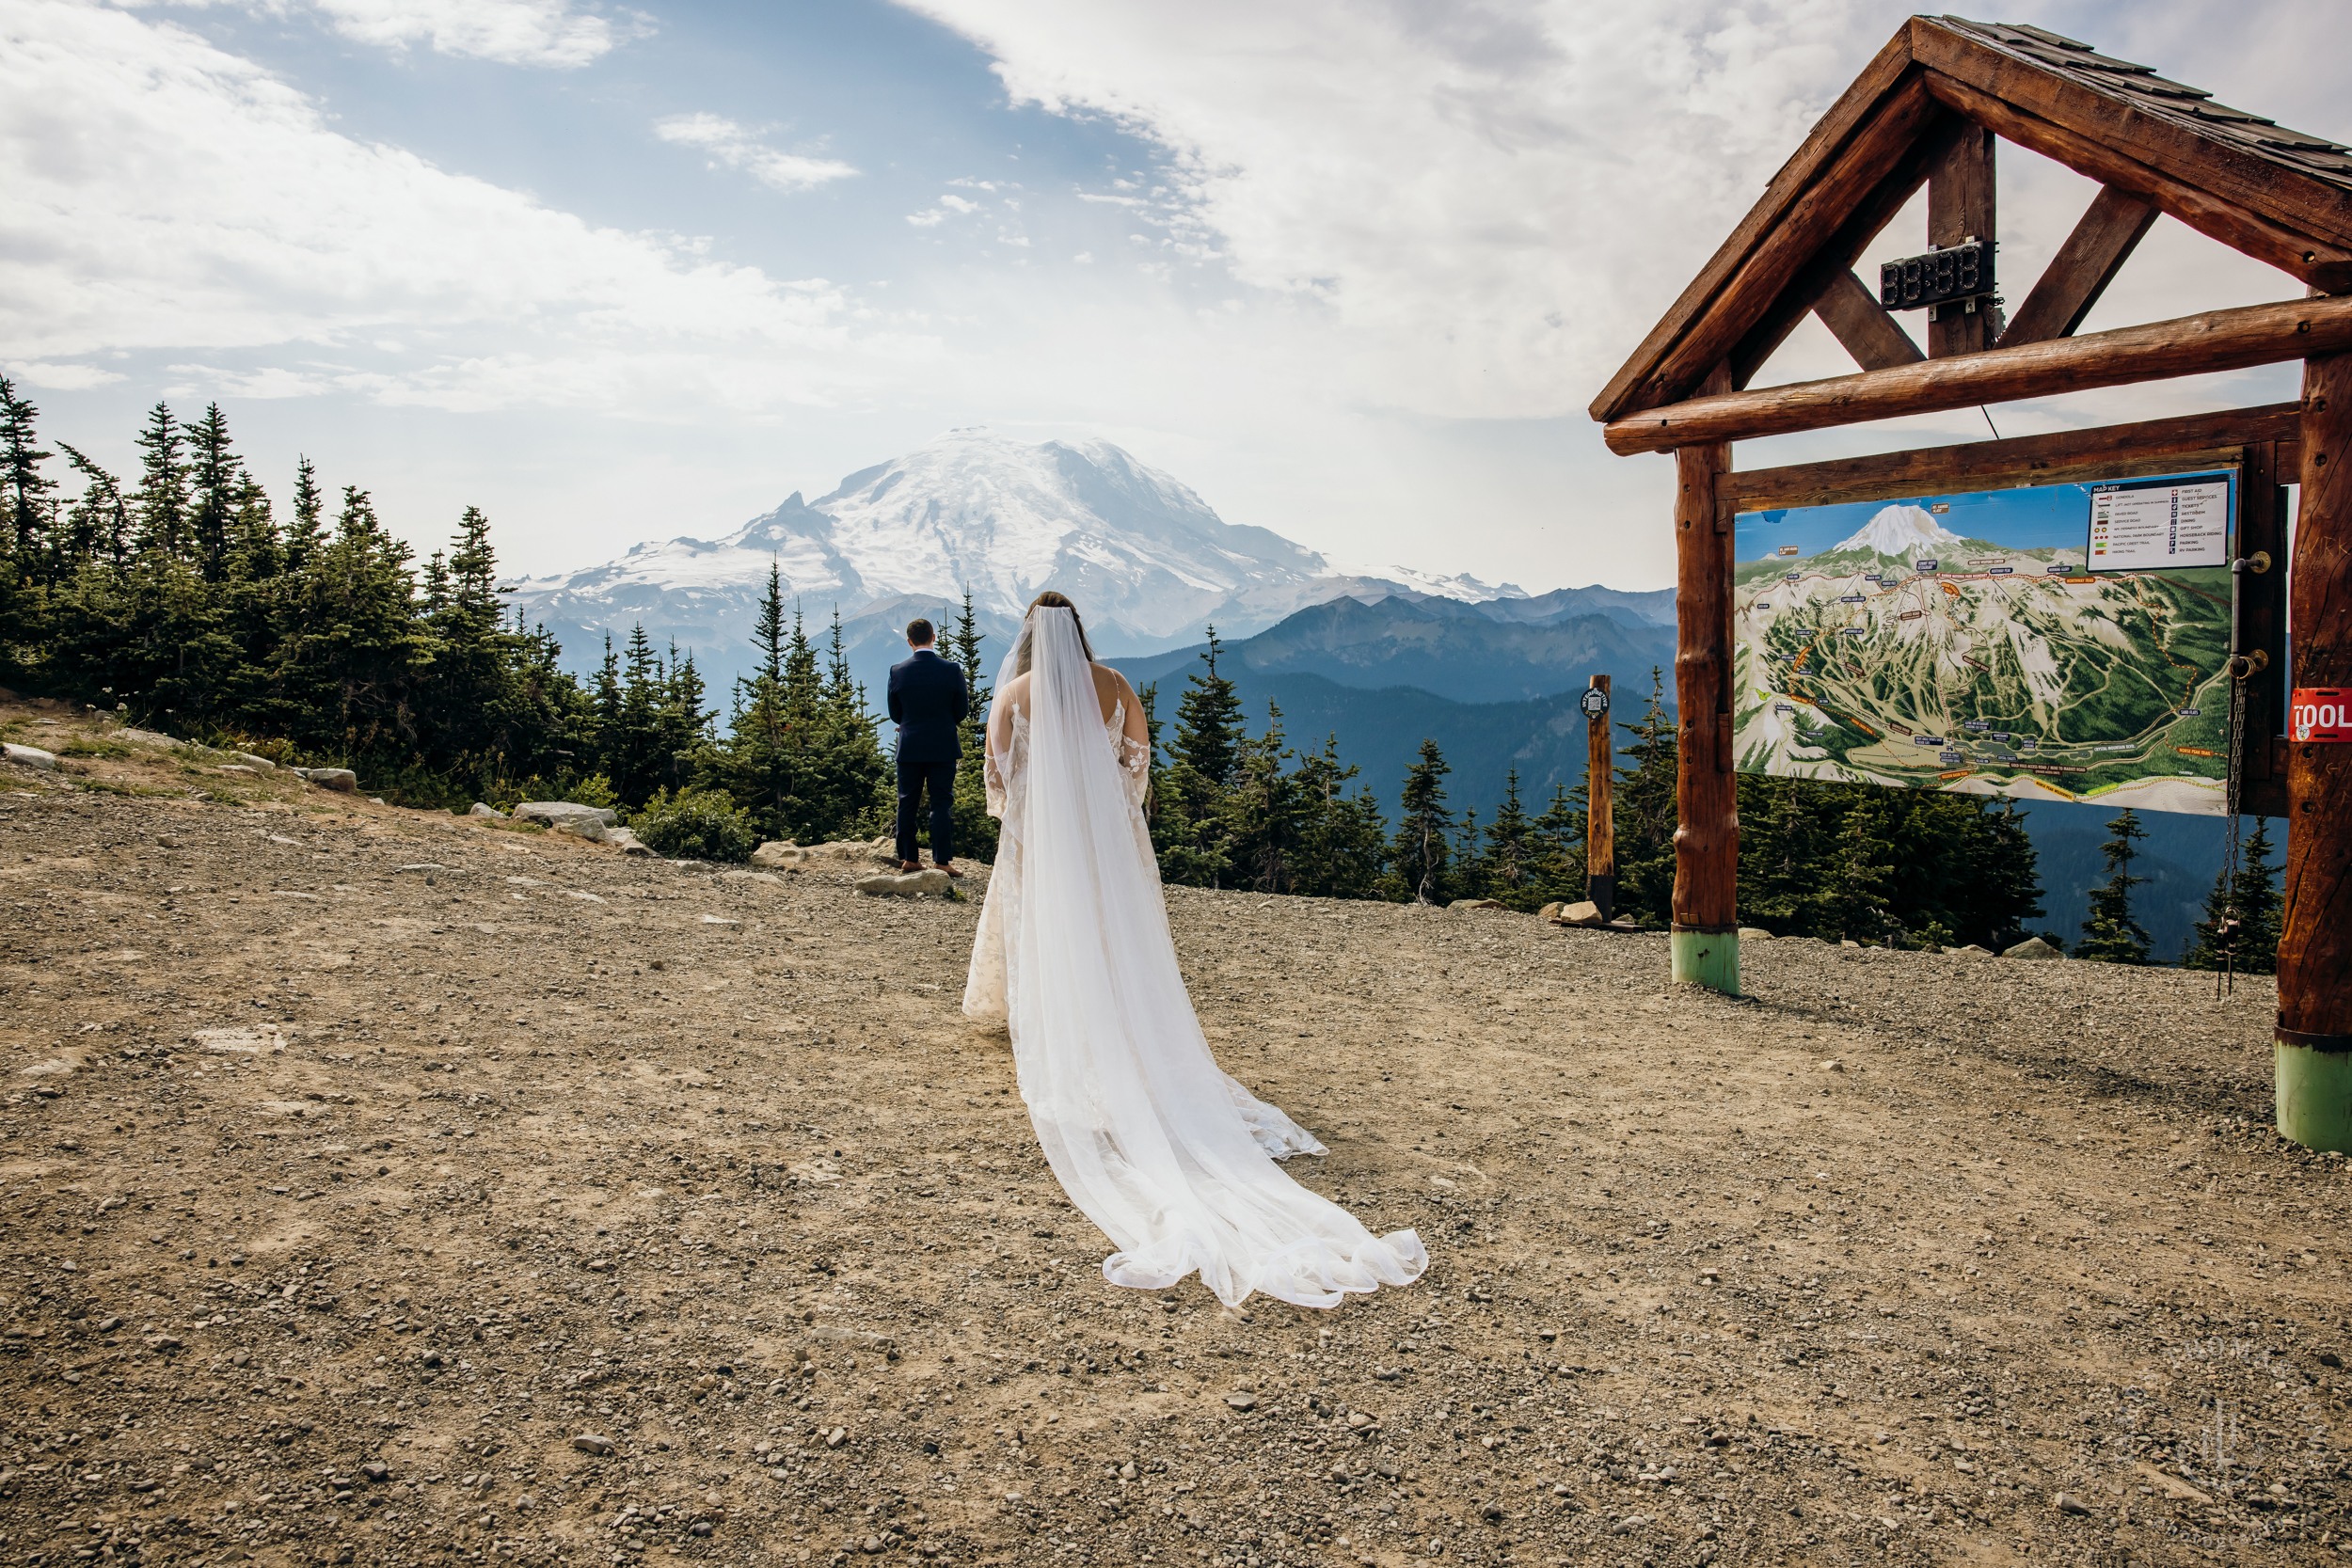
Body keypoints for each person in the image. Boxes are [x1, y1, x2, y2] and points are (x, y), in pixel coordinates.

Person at [961, 591, 1424, 1309]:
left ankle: (1074, 1033)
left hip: (1045, 851)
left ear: (1028, 637)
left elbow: (997, 781)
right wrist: (1108, 805)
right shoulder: (1113, 684)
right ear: (1078, 631)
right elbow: (1138, 764)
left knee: (1057, 942)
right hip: (1111, 848)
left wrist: (1039, 809)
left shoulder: (1015, 694)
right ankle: (1132, 1035)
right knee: (1120, 944)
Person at [886, 617, 969, 876]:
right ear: (934, 637)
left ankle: (909, 859)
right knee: (941, 803)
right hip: (943, 745)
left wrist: (911, 723)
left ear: (909, 641)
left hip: (910, 744)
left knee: (907, 802)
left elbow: (894, 713)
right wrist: (943, 723)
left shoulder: (897, 671)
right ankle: (942, 861)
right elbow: (962, 710)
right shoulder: (952, 669)